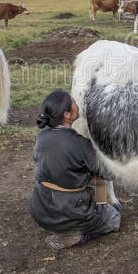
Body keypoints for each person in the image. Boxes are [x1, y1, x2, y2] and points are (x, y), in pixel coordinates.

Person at [28, 90, 121, 249]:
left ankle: (60, 225)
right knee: (114, 219)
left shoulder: (41, 137)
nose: (78, 105)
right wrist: (107, 149)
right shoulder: (80, 144)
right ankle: (80, 235)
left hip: (40, 210)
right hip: (70, 213)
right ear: (66, 115)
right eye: (74, 103)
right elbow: (109, 173)